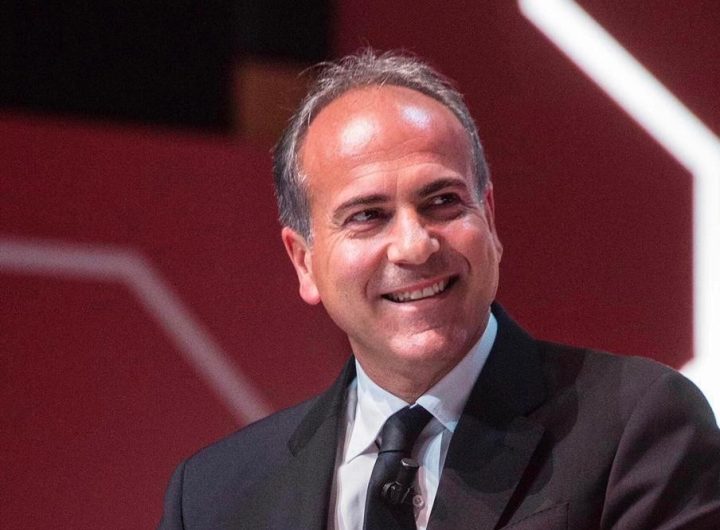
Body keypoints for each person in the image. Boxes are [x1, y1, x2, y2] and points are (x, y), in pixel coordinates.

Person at [158, 50, 720, 529]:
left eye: (443, 202)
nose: (415, 245)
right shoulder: (213, 496)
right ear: (304, 262)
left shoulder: (638, 427)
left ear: (489, 220)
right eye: (368, 215)